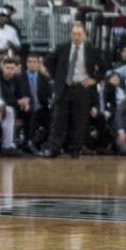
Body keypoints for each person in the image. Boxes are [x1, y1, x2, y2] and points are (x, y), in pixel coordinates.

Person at [41, 22, 99, 158]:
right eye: (74, 34)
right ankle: (53, 148)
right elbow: (48, 61)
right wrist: (58, 77)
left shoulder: (91, 49)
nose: (76, 37)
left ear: (84, 35)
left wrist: (94, 79)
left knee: (79, 121)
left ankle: (75, 149)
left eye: (79, 34)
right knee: (59, 119)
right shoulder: (63, 47)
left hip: (82, 88)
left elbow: (104, 65)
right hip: (65, 87)